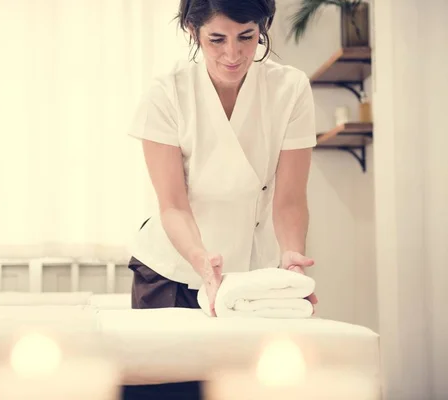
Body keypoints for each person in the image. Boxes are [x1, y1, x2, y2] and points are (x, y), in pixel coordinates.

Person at [127, 0, 318, 322]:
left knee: (248, 372)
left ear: (263, 28)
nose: (232, 54)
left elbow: (289, 199)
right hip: (172, 270)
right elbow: (173, 204)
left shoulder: (290, 89)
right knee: (174, 372)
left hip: (253, 275)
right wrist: (200, 259)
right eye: (217, 39)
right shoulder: (167, 93)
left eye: (246, 37)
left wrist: (292, 257)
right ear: (193, 31)